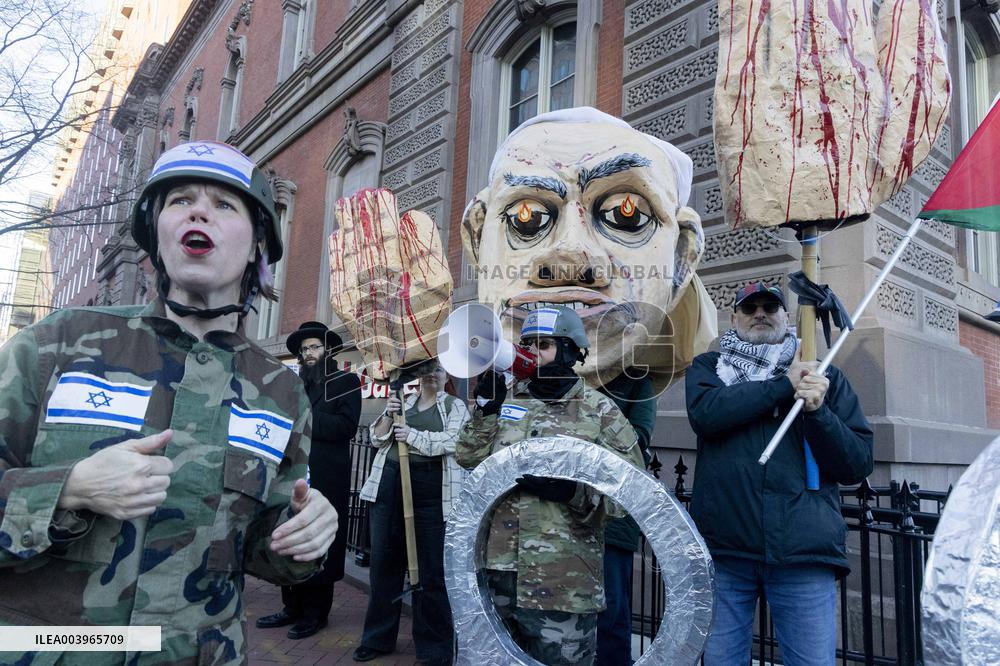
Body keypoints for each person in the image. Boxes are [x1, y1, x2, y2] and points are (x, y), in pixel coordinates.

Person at [0, 140, 338, 663]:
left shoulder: (281, 390)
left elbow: (263, 550)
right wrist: (66, 489)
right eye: (180, 200)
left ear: (257, 246)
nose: (199, 209)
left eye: (225, 205)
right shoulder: (56, 344)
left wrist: (305, 537)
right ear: (157, 235)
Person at [685, 281, 874, 666]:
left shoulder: (824, 377)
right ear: (734, 316)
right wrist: (781, 386)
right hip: (725, 552)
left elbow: (855, 464)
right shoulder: (710, 368)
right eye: (749, 307)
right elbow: (707, 414)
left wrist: (819, 412)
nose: (760, 314)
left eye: (770, 307)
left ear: (786, 318)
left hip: (802, 555)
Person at [456, 305, 645, 665]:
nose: (530, 353)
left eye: (543, 345)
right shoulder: (509, 400)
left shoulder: (599, 412)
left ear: (572, 351)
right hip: (498, 578)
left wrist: (574, 494)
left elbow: (631, 495)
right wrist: (485, 410)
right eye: (526, 344)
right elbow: (467, 458)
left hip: (563, 585)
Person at [353, 361, 470, 665]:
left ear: (447, 377)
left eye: (440, 370)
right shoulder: (404, 402)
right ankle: (377, 638)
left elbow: (454, 442)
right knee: (384, 566)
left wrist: (412, 436)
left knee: (431, 572)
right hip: (390, 486)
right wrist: (389, 417)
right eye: (428, 369)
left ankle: (434, 650)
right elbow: (378, 438)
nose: (433, 373)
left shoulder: (456, 407)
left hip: (432, 493)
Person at [256, 322, 362, 639]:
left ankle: (316, 613)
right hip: (293, 477)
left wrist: (305, 415)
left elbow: (346, 426)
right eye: (304, 349)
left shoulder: (346, 381)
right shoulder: (295, 385)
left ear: (327, 349)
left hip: (327, 479)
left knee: (319, 542)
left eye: (314, 347)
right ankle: (292, 607)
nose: (308, 353)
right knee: (290, 538)